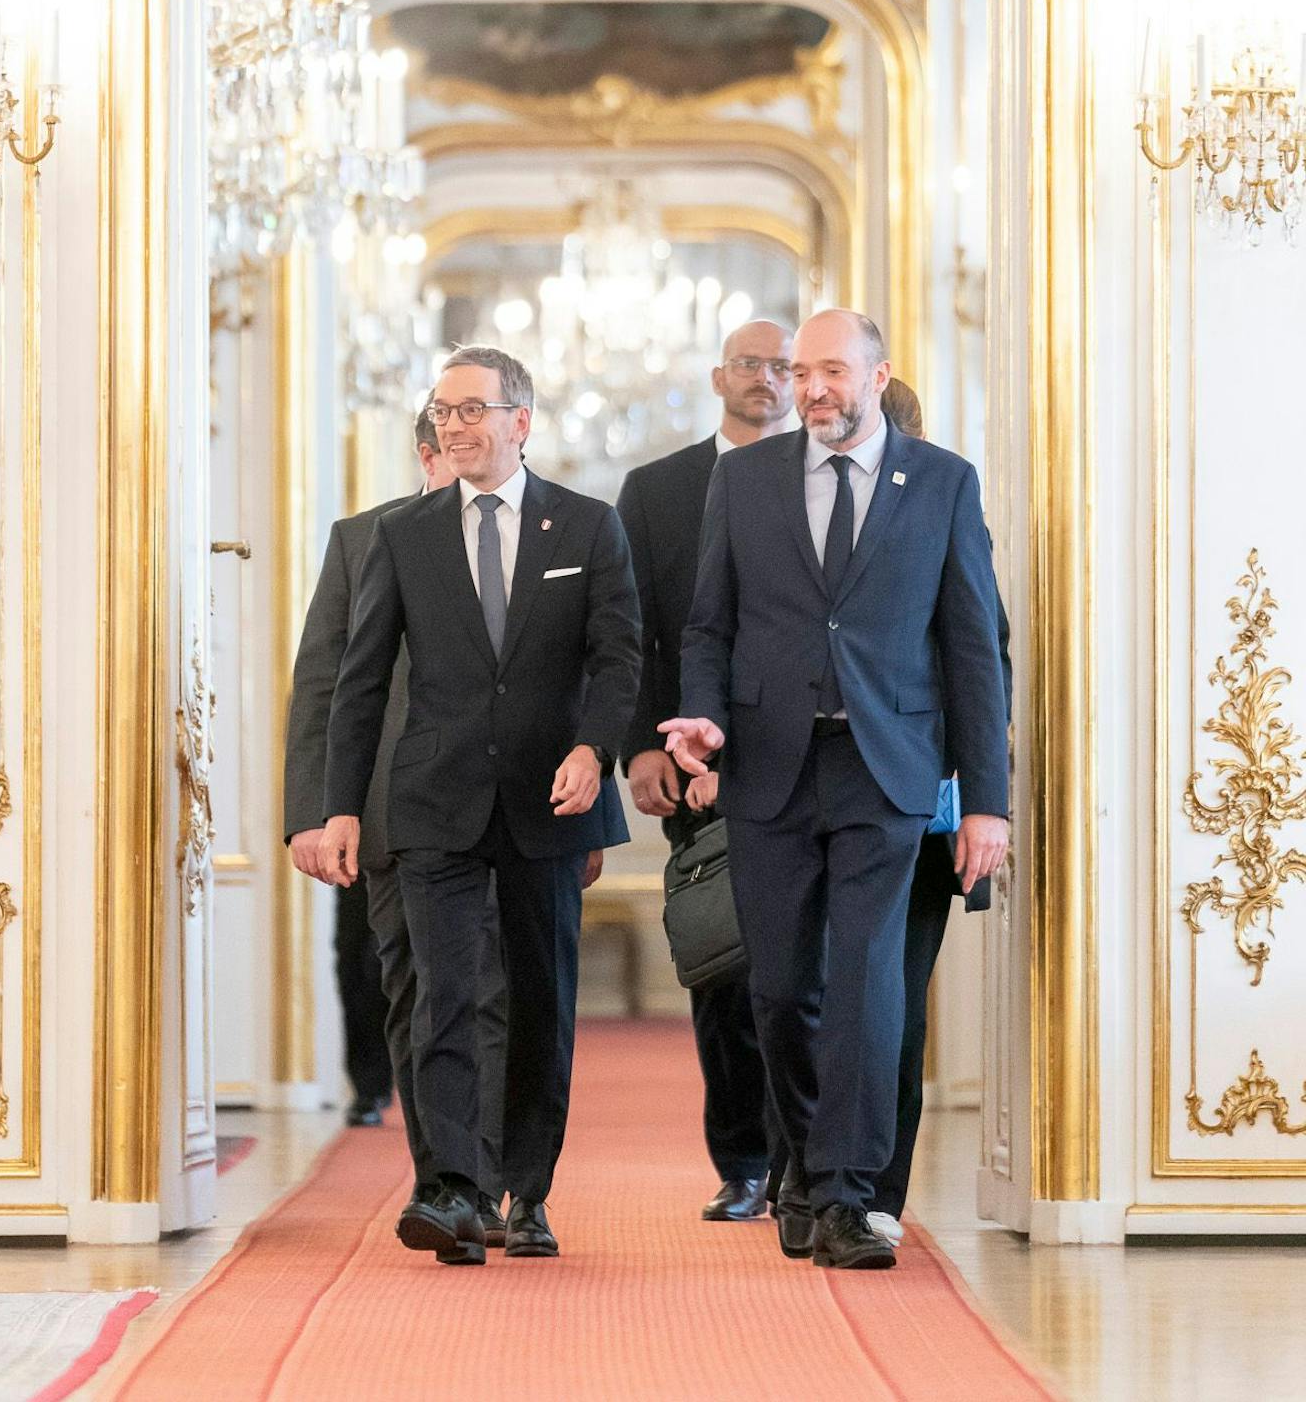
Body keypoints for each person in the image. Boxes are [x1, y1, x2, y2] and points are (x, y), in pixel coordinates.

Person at [662, 309, 1009, 1273]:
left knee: (865, 979)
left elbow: (974, 647)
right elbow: (707, 628)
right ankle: (803, 1171)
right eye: (801, 372)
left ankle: (850, 1191)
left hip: (887, 766)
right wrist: (701, 716)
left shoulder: (941, 482)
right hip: (770, 764)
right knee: (779, 990)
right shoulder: (745, 479)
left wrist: (987, 798)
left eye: (831, 370)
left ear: (877, 373)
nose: (812, 388)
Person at [321, 345, 642, 1267]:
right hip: (433, 803)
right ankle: (449, 1188)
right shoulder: (405, 534)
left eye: (471, 410)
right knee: (443, 998)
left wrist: (594, 748)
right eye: (442, 412)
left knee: (540, 1002)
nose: (452, 426)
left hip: (551, 800)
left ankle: (528, 1192)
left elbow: (617, 656)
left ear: (520, 421)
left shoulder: (586, 527)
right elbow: (360, 681)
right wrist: (344, 805)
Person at [283, 408, 510, 1237]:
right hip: (388, 811)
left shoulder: (536, 528)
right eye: (455, 443)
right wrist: (313, 811)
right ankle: (442, 1176)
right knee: (418, 992)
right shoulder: (363, 537)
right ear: (427, 455)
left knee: (494, 991)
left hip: (506, 810)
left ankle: (480, 1180)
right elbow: (322, 682)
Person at [616, 316, 798, 1224]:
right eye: (751, 363)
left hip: (807, 759)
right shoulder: (656, 491)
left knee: (805, 966)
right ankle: (745, 1162)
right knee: (723, 963)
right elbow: (632, 628)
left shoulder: (825, 475)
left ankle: (810, 1158)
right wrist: (641, 746)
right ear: (719, 375)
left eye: (782, 364)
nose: (767, 377)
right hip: (692, 764)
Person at [866, 373, 1012, 1249]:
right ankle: (823, 1172)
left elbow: (982, 655)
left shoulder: (943, 503)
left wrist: (978, 803)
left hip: (924, 806)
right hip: (821, 799)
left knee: (896, 998)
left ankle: (876, 1186)